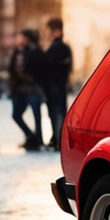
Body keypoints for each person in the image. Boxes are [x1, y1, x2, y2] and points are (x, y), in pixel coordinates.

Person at [9, 28, 45, 151]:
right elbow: (12, 69)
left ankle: (38, 140)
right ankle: (32, 137)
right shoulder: (19, 52)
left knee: (36, 115)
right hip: (20, 90)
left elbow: (33, 72)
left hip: (32, 90)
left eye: (23, 38)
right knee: (16, 115)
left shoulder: (34, 52)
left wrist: (23, 75)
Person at [42, 17, 73, 150]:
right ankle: (56, 138)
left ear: (56, 31)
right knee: (57, 111)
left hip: (55, 84)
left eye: (49, 30)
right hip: (58, 84)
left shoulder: (59, 47)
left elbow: (51, 66)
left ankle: (58, 140)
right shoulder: (62, 47)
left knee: (57, 112)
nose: (46, 33)